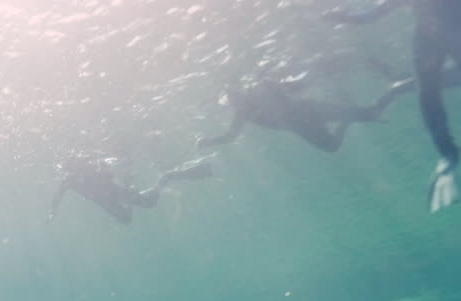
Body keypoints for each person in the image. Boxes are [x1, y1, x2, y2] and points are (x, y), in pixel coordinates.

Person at [327, 0, 461, 212]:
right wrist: (345, 16)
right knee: (425, 90)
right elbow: (372, 13)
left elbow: (372, 13)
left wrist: (345, 17)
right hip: (435, 35)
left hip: (435, 34)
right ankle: (446, 155)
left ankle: (447, 155)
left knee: (425, 91)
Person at [197, 73, 402, 153]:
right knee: (333, 145)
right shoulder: (245, 110)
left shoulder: (254, 95)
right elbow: (229, 136)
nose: (235, 103)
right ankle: (394, 91)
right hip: (305, 117)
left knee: (365, 116)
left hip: (306, 114)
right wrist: (209, 141)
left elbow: (229, 137)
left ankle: (397, 88)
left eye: (234, 98)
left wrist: (208, 141)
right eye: (233, 100)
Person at [48, 151, 213, 225]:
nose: (72, 170)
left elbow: (108, 170)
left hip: (115, 192)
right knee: (126, 219)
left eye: (72, 166)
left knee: (149, 203)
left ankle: (171, 175)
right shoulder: (69, 180)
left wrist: (120, 172)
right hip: (105, 200)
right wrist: (53, 211)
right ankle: (137, 187)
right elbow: (58, 196)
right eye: (69, 168)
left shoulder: (89, 167)